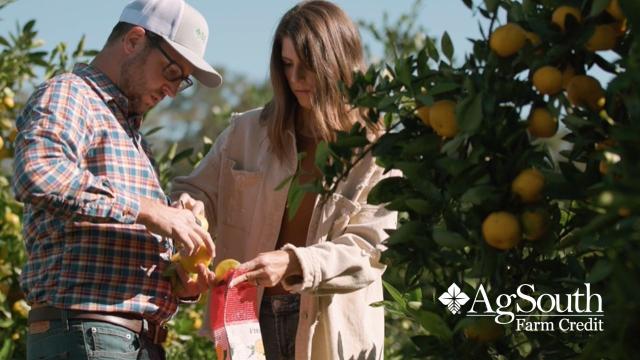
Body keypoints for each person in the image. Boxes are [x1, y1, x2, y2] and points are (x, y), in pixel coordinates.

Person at [171, 1, 399, 359]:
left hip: (330, 331)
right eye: (287, 65)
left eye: (307, 67)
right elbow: (194, 190)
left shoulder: (376, 151)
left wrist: (294, 263)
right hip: (245, 322)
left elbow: (368, 250)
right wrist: (188, 212)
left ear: (337, 62)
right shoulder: (245, 132)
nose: (295, 79)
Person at [12, 0, 221, 358]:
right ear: (134, 40)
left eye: (182, 81)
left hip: (120, 340)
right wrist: (149, 210)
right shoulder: (71, 94)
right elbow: (39, 173)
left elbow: (120, 235)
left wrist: (182, 275)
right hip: (87, 333)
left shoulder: (132, 136)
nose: (172, 90)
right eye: (171, 71)